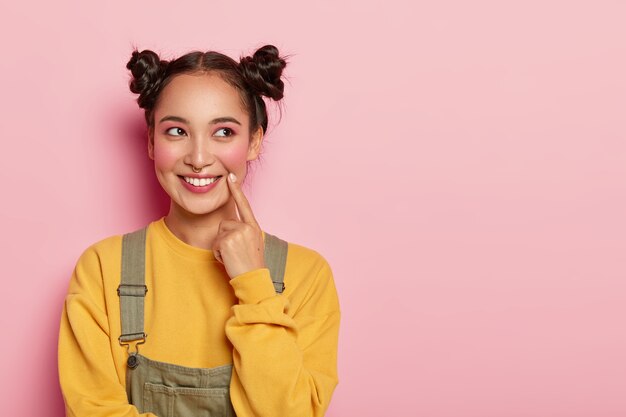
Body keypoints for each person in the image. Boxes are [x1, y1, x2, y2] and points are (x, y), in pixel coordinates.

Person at [58, 44, 341, 417]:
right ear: (151, 142)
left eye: (223, 131)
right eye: (177, 130)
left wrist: (255, 286)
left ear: (253, 142)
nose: (198, 157)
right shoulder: (102, 268)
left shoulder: (305, 275)